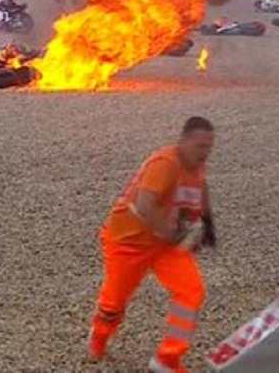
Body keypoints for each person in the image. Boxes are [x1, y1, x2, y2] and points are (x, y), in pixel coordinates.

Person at [89, 116, 217, 372]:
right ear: (183, 141)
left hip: (164, 245)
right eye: (200, 146)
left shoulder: (195, 166)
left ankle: (168, 357)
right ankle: (99, 336)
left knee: (192, 291)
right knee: (114, 301)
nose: (205, 153)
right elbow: (145, 205)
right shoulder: (165, 163)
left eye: (208, 147)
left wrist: (208, 222)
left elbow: (201, 188)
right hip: (129, 242)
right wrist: (169, 233)